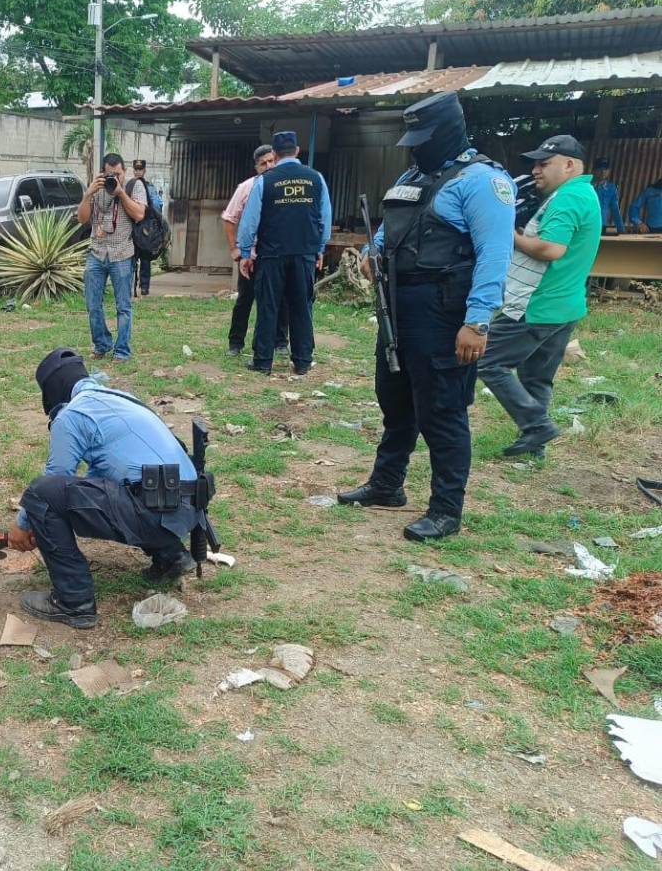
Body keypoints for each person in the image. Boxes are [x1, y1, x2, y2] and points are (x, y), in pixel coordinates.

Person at [338, 91, 516, 541]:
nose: (414, 147)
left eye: (422, 138)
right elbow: (390, 232)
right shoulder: (413, 176)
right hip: (398, 309)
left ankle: (445, 510)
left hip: (444, 313)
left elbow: (495, 255)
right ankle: (386, 485)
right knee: (395, 401)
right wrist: (369, 253)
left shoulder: (482, 181)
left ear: (449, 131)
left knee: (442, 411)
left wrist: (477, 322)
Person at [5, 348, 205, 629]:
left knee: (41, 493)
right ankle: (171, 556)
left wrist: (24, 524)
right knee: (130, 486)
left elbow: (56, 476)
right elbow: (108, 475)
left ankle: (74, 602)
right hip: (187, 508)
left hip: (154, 512)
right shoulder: (120, 399)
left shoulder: (73, 414)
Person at [478, 135, 602, 459]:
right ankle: (535, 447)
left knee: (488, 361)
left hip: (537, 304)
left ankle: (535, 424)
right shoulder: (583, 193)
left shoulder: (568, 198)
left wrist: (511, 235)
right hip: (565, 305)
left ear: (569, 165)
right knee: (537, 376)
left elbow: (550, 249)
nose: (535, 170)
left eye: (544, 164)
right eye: (535, 164)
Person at [236, 131, 332, 376]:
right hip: (304, 253)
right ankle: (302, 361)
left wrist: (245, 252)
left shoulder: (265, 180)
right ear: (298, 151)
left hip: (272, 254)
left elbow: (250, 221)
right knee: (301, 306)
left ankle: (263, 361)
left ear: (275, 155)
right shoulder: (316, 178)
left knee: (268, 305)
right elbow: (325, 217)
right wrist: (320, 248)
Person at [77, 152, 146, 361]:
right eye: (109, 174)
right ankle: (102, 343)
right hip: (97, 252)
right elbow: (82, 219)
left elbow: (139, 214)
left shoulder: (135, 186)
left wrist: (120, 193)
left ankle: (122, 350)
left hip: (122, 254)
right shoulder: (97, 188)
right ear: (102, 172)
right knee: (92, 304)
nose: (113, 178)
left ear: (124, 171)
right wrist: (88, 193)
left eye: (117, 174)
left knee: (123, 306)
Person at [223, 144, 284, 357]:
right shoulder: (247, 187)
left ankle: (279, 342)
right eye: (263, 163)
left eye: (271, 161)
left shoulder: (285, 186)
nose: (268, 166)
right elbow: (229, 218)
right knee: (244, 300)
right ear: (256, 167)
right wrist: (235, 249)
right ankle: (235, 343)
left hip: (276, 255)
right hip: (251, 256)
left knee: (278, 300)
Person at [130, 159, 162, 297]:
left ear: (144, 170)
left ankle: (144, 287)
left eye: (140, 169)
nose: (138, 172)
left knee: (145, 258)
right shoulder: (129, 186)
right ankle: (132, 287)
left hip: (145, 228)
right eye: (136, 169)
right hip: (133, 227)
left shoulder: (150, 187)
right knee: (131, 258)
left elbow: (157, 206)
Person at [591, 158, 625, 235]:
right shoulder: (587, 187)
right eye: (600, 169)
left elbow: (615, 210)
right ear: (594, 170)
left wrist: (621, 229)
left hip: (602, 226)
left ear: (609, 171)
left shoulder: (611, 188)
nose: (603, 172)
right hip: (586, 225)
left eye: (606, 169)